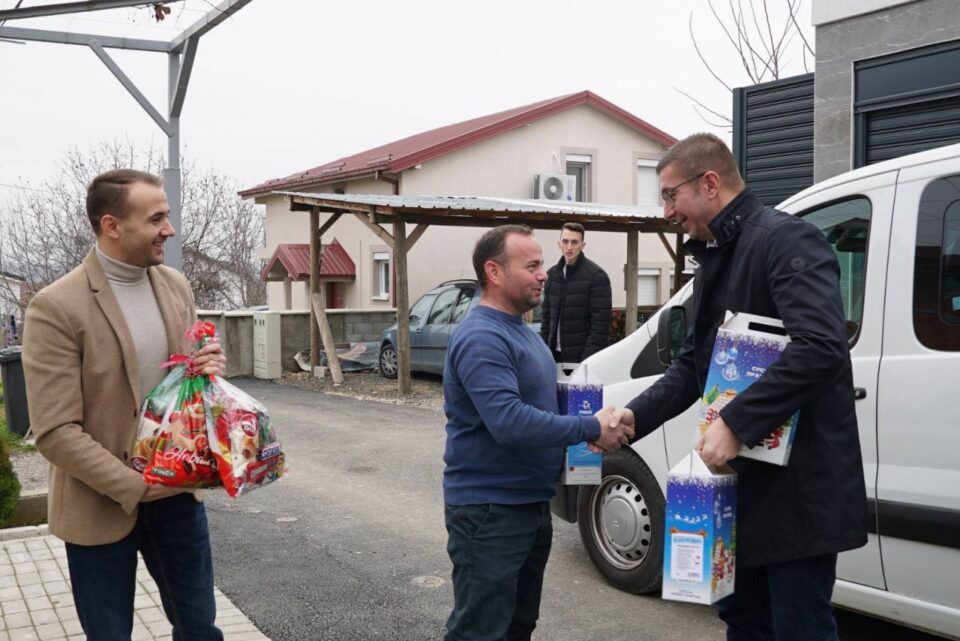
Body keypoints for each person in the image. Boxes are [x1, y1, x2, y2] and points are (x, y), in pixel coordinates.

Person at [610, 134, 868, 641]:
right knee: (743, 623)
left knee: (800, 629)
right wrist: (634, 417)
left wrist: (735, 422)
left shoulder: (785, 241)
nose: (665, 211)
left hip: (798, 494)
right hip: (737, 490)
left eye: (668, 195)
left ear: (709, 183)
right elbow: (692, 366)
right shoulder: (716, 257)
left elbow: (820, 346)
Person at [22, 169, 227, 641]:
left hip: (177, 497)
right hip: (99, 502)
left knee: (200, 629)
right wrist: (135, 486)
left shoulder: (175, 285)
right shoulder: (56, 306)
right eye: (156, 218)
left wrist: (209, 366)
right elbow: (54, 431)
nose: (169, 230)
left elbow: (187, 383)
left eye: (167, 216)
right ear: (112, 225)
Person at [442, 224, 633, 641]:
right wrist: (589, 426)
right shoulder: (482, 336)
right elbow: (509, 421)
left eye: (542, 264)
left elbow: (542, 407)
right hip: (490, 512)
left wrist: (593, 424)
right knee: (480, 630)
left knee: (517, 626)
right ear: (494, 272)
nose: (543, 273)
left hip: (528, 505)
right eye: (531, 265)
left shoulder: (522, 331)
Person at [539, 222, 612, 363]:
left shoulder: (597, 277)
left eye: (574, 242)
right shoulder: (551, 275)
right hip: (553, 358)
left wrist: (585, 362)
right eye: (565, 241)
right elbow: (546, 321)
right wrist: (544, 354)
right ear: (559, 244)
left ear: (583, 245)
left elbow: (600, 327)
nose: (569, 247)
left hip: (582, 360)